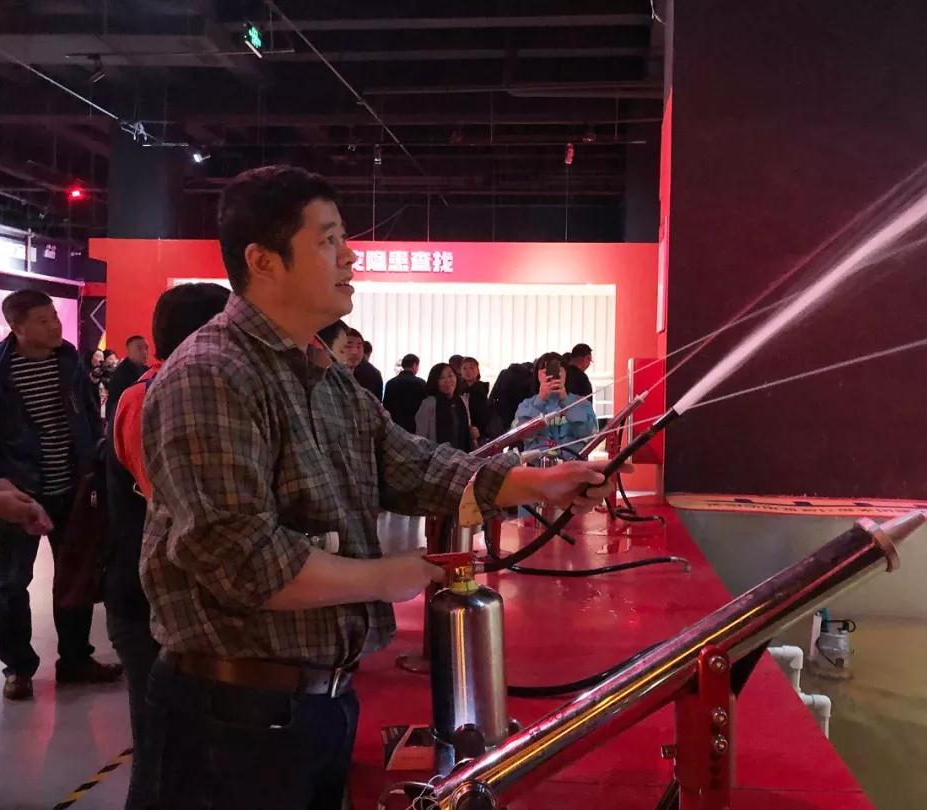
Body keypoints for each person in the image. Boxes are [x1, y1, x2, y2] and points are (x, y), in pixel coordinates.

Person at [136, 165, 622, 810]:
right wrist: (388, 576)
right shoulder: (213, 374)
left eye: (345, 239)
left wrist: (543, 481)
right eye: (327, 240)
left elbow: (410, 464)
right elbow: (241, 560)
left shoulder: (323, 376)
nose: (350, 255)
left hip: (318, 703)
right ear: (263, 261)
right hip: (230, 718)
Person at [105, 282, 230, 810]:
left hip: (180, 600)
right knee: (160, 754)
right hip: (149, 601)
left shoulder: (179, 391)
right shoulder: (150, 397)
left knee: (193, 753)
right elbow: (181, 506)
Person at [0, 289, 122, 701]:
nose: (55, 325)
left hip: (73, 487)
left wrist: (94, 462)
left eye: (54, 316)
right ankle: (18, 668)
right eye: (43, 320)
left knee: (75, 576)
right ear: (17, 326)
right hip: (19, 491)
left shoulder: (69, 358)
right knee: (13, 583)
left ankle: (75, 659)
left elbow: (87, 413)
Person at [514, 351, 598, 458]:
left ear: (566, 374)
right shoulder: (527, 405)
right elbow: (524, 435)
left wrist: (566, 401)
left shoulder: (581, 402)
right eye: (545, 372)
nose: (552, 376)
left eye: (557, 371)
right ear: (537, 375)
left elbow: (587, 434)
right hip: (538, 465)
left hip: (574, 463)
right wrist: (540, 401)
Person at [415, 363, 474, 451]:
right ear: (435, 381)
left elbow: (467, 427)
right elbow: (421, 437)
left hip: (463, 455)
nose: (447, 381)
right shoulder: (429, 404)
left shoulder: (463, 400)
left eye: (450, 376)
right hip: (438, 456)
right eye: (442, 378)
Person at [106, 335, 150, 418]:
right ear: (129, 351)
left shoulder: (147, 371)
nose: (144, 352)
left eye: (146, 348)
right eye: (139, 348)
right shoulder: (120, 373)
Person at [382, 353, 426, 433]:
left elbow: (386, 407)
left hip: (394, 428)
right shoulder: (421, 383)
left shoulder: (390, 383)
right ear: (414, 365)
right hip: (415, 428)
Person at [489, 360, 536, 433]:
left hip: (501, 412)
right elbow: (531, 397)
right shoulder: (529, 378)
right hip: (519, 414)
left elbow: (493, 394)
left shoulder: (504, 373)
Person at [460, 356, 496, 438]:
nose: (468, 371)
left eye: (472, 368)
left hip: (479, 433)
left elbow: (482, 416)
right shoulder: (460, 390)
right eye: (464, 368)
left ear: (478, 371)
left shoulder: (479, 390)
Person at [348, 327, 384, 399]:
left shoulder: (373, 373)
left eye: (359, 347)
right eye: (348, 346)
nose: (355, 351)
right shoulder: (330, 376)